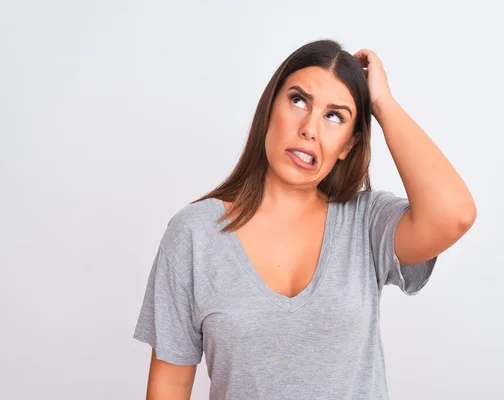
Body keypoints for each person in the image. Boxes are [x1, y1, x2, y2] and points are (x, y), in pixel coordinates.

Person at [133, 39, 476, 399]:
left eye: (334, 116)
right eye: (298, 100)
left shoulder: (366, 224)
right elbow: (170, 384)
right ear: (270, 109)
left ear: (348, 145)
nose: (309, 128)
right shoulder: (194, 234)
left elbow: (454, 215)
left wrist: (383, 104)